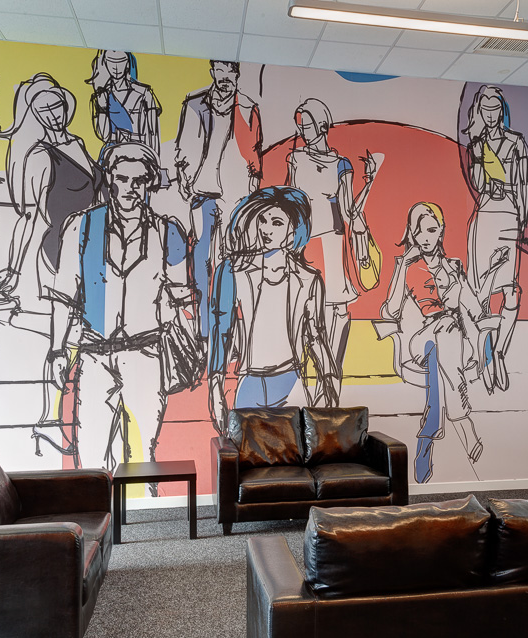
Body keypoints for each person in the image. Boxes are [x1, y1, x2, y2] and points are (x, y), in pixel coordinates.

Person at [45, 142, 202, 471]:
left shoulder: (167, 231)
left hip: (145, 354)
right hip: (94, 354)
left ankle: (145, 506)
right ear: (109, 179)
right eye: (122, 178)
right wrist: (58, 349)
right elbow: (64, 295)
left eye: (139, 180)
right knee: (92, 451)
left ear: (149, 183)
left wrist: (193, 342)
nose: (130, 188)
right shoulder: (81, 226)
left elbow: (183, 297)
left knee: (142, 453)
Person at [207, 186, 337, 435]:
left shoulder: (309, 279)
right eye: (263, 220)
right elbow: (221, 331)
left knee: (293, 453)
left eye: (277, 223)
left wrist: (329, 381)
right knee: (246, 449)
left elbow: (317, 336)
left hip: (291, 380)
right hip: (250, 381)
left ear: (293, 230)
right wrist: (215, 389)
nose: (266, 229)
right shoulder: (232, 270)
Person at [382, 202, 489, 483]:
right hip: (422, 339)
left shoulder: (454, 267)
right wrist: (402, 265)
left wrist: (485, 326)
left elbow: (473, 307)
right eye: (418, 232)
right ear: (412, 234)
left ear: (441, 230)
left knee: (445, 340)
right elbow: (390, 310)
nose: (425, 237)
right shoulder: (409, 268)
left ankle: (429, 432)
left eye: (431, 230)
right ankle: (463, 422)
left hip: (450, 342)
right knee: (443, 331)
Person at [0, 73, 104, 314]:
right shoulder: (40, 156)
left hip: (93, 239)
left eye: (56, 106)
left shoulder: (78, 143)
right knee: (72, 315)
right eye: (44, 110)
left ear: (65, 105)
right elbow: (29, 217)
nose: (53, 115)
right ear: (36, 115)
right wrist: (13, 270)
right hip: (62, 246)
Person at [286, 97, 376, 378]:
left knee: (337, 306)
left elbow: (349, 211)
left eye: (307, 125)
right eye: (301, 126)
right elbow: (288, 202)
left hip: (332, 242)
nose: (303, 131)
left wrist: (369, 182)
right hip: (304, 242)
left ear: (322, 125)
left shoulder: (341, 164)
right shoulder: (296, 158)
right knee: (308, 306)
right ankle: (312, 370)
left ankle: (334, 370)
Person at [174, 60, 262, 344]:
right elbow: (183, 148)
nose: (224, 77)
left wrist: (251, 190)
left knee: (230, 262)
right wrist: (186, 182)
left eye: (230, 71)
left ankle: (227, 330)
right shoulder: (194, 104)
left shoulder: (247, 108)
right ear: (212, 73)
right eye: (220, 71)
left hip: (235, 198)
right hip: (202, 194)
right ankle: (204, 330)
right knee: (202, 261)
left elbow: (255, 154)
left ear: (237, 74)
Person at [463, 85, 528, 393]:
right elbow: (478, 184)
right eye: (485, 109)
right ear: (479, 111)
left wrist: (524, 219)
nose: (490, 115)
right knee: (482, 292)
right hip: (485, 217)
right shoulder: (476, 145)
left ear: (502, 110)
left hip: (509, 217)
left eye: (495, 108)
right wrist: (480, 157)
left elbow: (524, 184)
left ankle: (500, 350)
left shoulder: (516, 142)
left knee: (510, 290)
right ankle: (487, 355)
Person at [86, 50, 162, 162]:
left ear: (127, 63)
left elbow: (153, 132)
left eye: (121, 61)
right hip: (112, 153)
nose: (116, 67)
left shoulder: (144, 93)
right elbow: (104, 135)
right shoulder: (101, 96)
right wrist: (102, 106)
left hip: (139, 151)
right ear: (105, 63)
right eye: (111, 61)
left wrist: (155, 161)